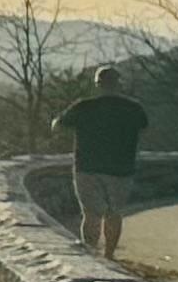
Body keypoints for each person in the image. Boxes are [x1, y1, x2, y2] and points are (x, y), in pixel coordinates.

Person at [58, 65, 148, 259]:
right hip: (122, 169)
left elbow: (59, 124)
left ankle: (91, 255)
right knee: (114, 213)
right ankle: (109, 255)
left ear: (98, 85)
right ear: (118, 84)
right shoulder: (133, 108)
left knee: (91, 214)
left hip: (87, 167)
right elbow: (144, 126)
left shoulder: (84, 107)